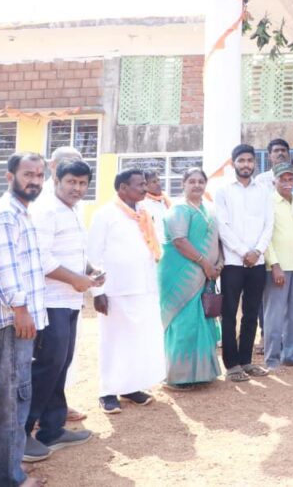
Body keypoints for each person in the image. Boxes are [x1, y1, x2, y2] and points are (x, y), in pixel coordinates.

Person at [0, 153, 51, 482]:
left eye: (39, 175)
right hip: (11, 321)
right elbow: (3, 269)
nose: (34, 181)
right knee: (13, 399)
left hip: (21, 319)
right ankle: (8, 479)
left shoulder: (21, 213)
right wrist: (21, 310)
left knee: (11, 397)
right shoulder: (5, 216)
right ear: (10, 177)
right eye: (27, 174)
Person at [27, 159, 103, 457]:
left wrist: (89, 270)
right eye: (71, 181)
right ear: (56, 180)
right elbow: (41, 258)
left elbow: (71, 253)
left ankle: (52, 429)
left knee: (60, 365)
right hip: (51, 302)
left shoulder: (71, 210)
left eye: (83, 183)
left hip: (69, 301)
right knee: (46, 367)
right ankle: (22, 435)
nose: (77, 188)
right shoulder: (46, 210)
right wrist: (75, 279)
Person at [88, 168, 165, 414]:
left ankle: (130, 387)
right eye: (140, 184)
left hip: (144, 287)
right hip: (115, 290)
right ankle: (107, 391)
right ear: (123, 188)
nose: (145, 188)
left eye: (145, 184)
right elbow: (92, 256)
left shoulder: (143, 213)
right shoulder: (105, 214)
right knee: (113, 342)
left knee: (137, 341)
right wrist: (97, 293)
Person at [158, 168, 223, 388]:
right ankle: (178, 377)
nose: (197, 185)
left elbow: (217, 239)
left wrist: (219, 262)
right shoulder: (178, 209)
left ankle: (202, 373)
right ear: (183, 184)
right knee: (183, 323)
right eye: (192, 181)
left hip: (206, 274)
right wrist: (205, 263)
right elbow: (179, 241)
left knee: (201, 321)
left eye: (201, 181)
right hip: (179, 276)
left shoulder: (209, 208)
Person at [214, 144, 273, 382]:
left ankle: (246, 361)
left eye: (249, 160)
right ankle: (231, 365)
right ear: (233, 163)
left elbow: (269, 224)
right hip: (232, 262)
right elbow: (222, 226)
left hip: (257, 262)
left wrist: (257, 251)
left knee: (251, 313)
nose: (246, 164)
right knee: (229, 314)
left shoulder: (264, 190)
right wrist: (242, 251)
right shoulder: (223, 190)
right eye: (242, 160)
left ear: (254, 163)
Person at [261, 163, 293, 370]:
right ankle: (272, 358)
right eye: (283, 179)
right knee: (274, 314)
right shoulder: (268, 202)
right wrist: (274, 264)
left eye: (290, 179)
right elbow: (265, 237)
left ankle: (291, 354)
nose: (287, 183)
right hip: (277, 267)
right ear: (274, 181)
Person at [139, 169, 172, 245]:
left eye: (158, 180)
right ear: (145, 185)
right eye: (154, 182)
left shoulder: (166, 200)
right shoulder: (142, 205)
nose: (158, 184)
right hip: (155, 246)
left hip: (171, 245)